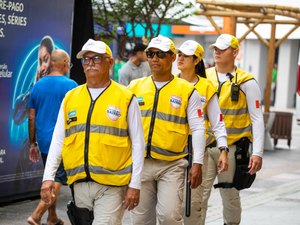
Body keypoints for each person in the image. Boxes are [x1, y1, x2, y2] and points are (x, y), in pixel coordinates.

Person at [40, 39, 145, 225]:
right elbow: (58, 141)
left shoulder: (126, 98)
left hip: (112, 185)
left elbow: (138, 144)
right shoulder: (71, 97)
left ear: (109, 62)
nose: (90, 64)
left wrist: (135, 184)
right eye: (86, 60)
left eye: (96, 59)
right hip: (79, 184)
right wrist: (48, 177)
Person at [128, 35, 206, 225]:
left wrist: (197, 163)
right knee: (139, 221)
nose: (155, 58)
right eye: (151, 54)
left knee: (170, 217)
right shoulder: (134, 87)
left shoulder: (187, 90)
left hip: (172, 165)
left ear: (172, 58)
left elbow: (197, 128)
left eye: (161, 54)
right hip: (141, 165)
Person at [202, 34, 264, 225]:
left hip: (232, 149)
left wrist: (258, 153)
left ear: (235, 52)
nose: (217, 52)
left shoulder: (247, 82)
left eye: (222, 49)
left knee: (230, 195)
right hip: (204, 148)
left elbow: (257, 118)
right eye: (215, 48)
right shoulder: (204, 76)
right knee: (197, 197)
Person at [176, 40, 228, 225]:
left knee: (192, 204)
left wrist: (223, 149)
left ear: (196, 60)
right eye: (179, 54)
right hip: (170, 153)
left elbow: (218, 122)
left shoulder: (207, 87)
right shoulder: (170, 83)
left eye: (185, 55)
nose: (180, 58)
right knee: (171, 206)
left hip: (197, 153)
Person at [27, 49, 78, 225]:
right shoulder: (71, 86)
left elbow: (31, 117)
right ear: (64, 63)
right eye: (69, 63)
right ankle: (36, 215)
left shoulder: (38, 85)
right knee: (57, 179)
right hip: (63, 141)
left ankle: (52, 217)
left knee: (51, 176)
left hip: (43, 140)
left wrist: (32, 142)